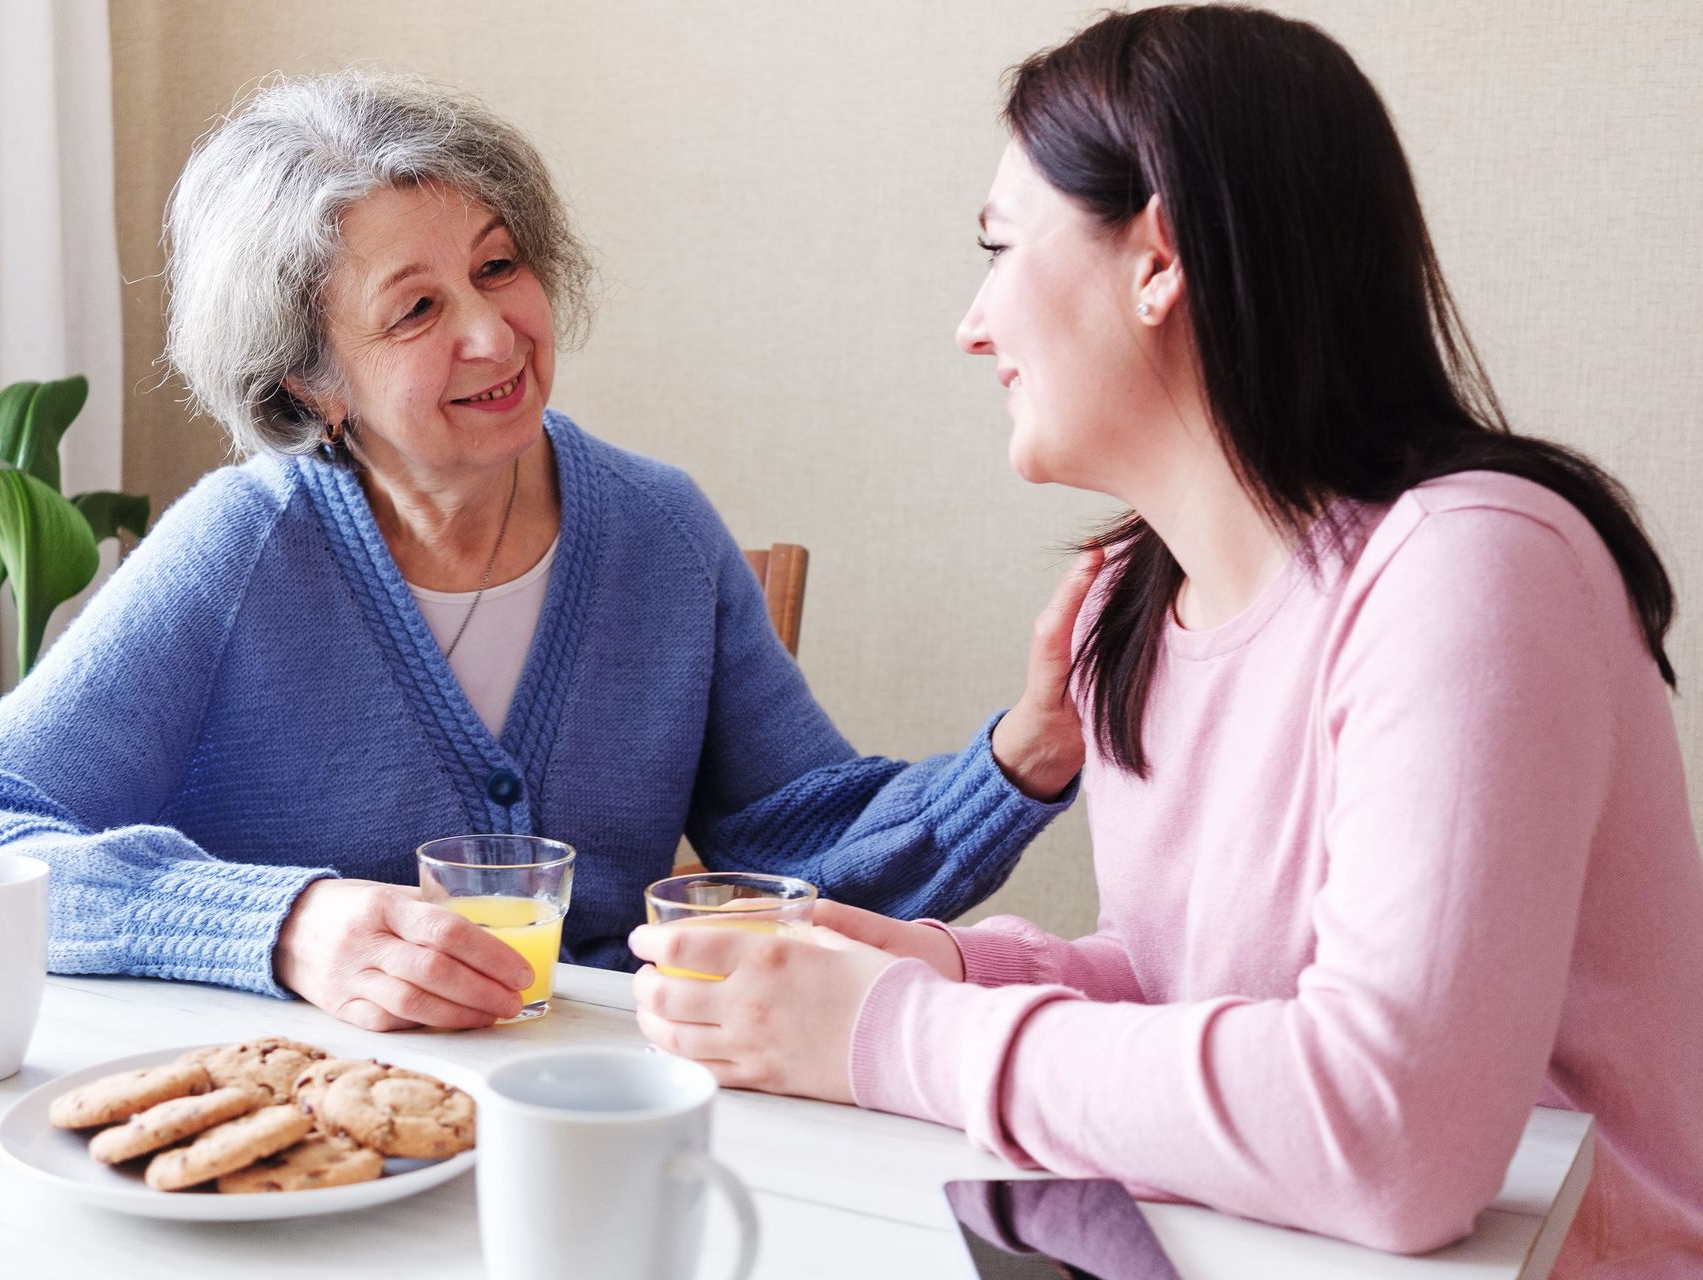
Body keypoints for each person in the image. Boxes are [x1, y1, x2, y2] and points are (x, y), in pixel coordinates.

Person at [628, 8, 1703, 1273]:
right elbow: (1196, 990)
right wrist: (946, 963)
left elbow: (1391, 1129)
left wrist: (901, 1031)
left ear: (1158, 257)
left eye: (999, 247)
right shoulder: (1137, 600)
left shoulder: (1475, 565)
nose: (972, 325)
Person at [0, 71, 1080, 1033]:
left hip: (592, 1100)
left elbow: (802, 848)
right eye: (418, 308)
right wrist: (284, 922)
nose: (495, 333)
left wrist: (1018, 757)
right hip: (302, 1123)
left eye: (500, 266)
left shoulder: (659, 530)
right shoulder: (239, 552)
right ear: (312, 379)